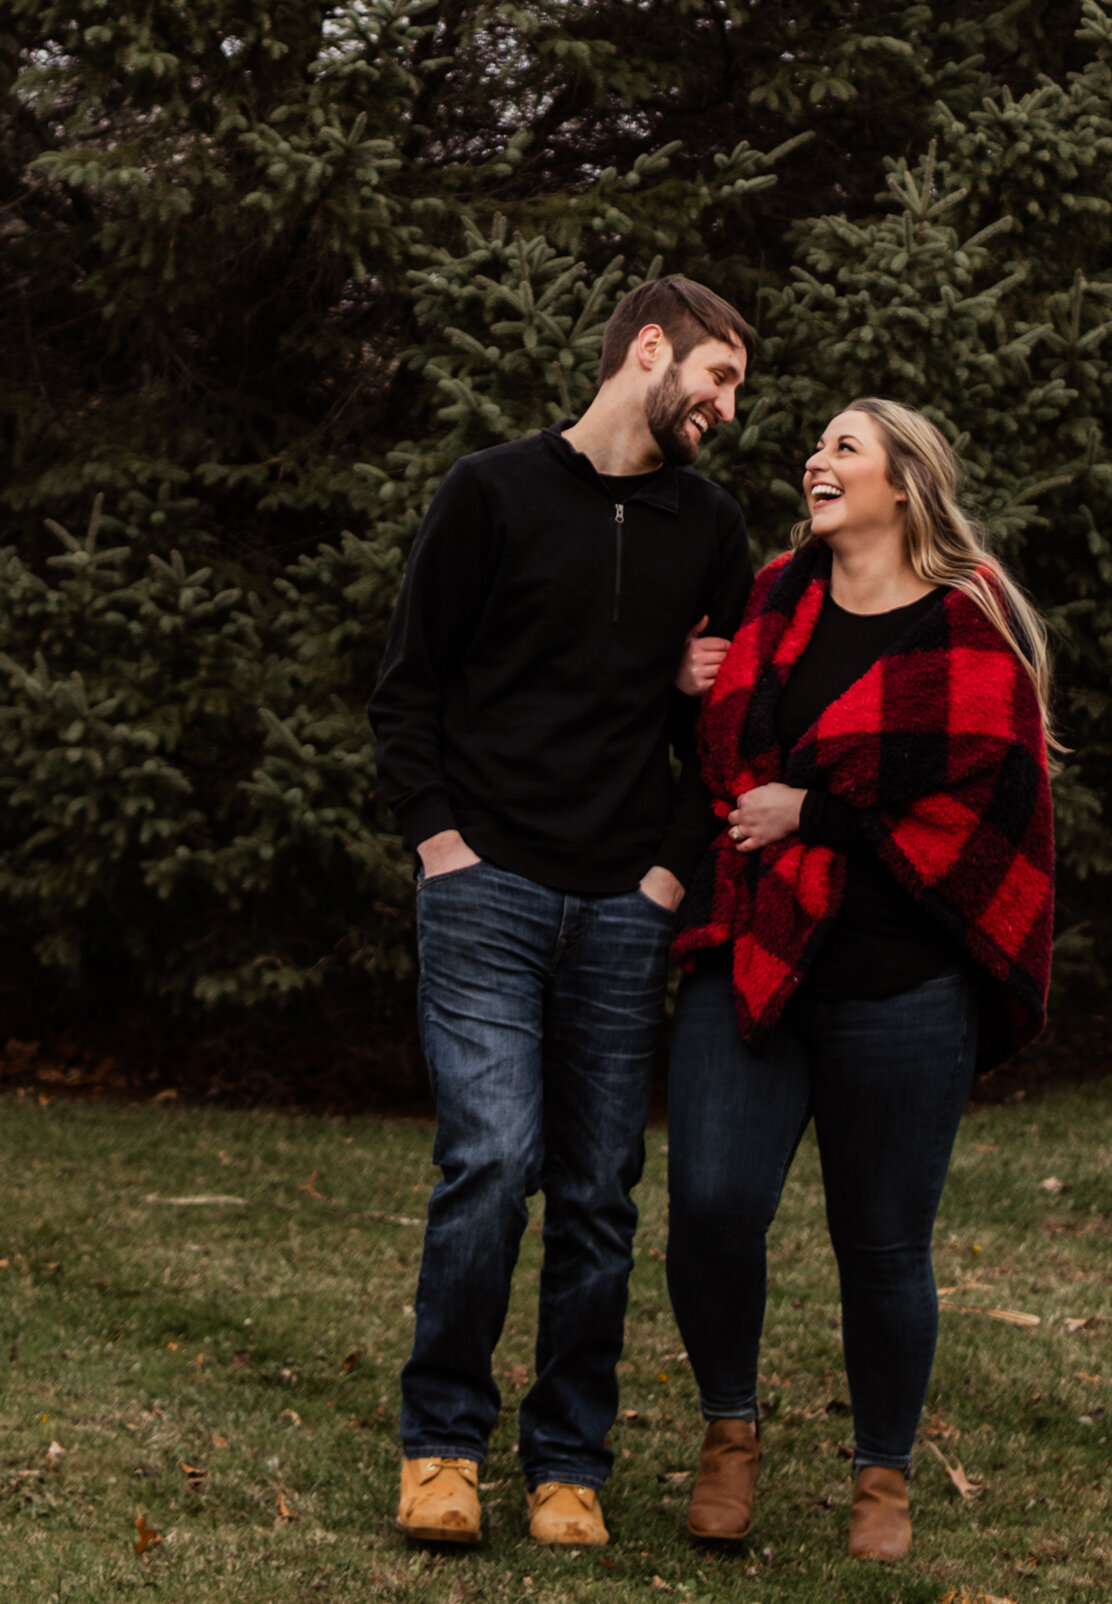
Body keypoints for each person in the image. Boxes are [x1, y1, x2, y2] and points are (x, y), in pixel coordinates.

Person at [367, 277, 757, 1549]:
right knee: (490, 1164)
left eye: (736, 388)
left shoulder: (710, 527)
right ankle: (441, 1447)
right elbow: (408, 689)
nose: (727, 407)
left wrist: (665, 873)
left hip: (621, 901)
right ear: (650, 349)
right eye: (718, 376)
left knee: (598, 1190)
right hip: (487, 887)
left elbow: (735, 725)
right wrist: (444, 847)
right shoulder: (490, 492)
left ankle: (568, 1461)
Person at [664, 398, 1057, 1561]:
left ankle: (881, 1472)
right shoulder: (775, 602)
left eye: (845, 446)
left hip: (904, 983)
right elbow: (729, 754)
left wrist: (816, 810)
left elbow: (981, 807)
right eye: (817, 446)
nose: (816, 461)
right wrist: (690, 682)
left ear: (903, 484)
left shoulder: (970, 630)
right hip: (756, 948)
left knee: (883, 1242)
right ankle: (729, 1432)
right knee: (712, 1205)